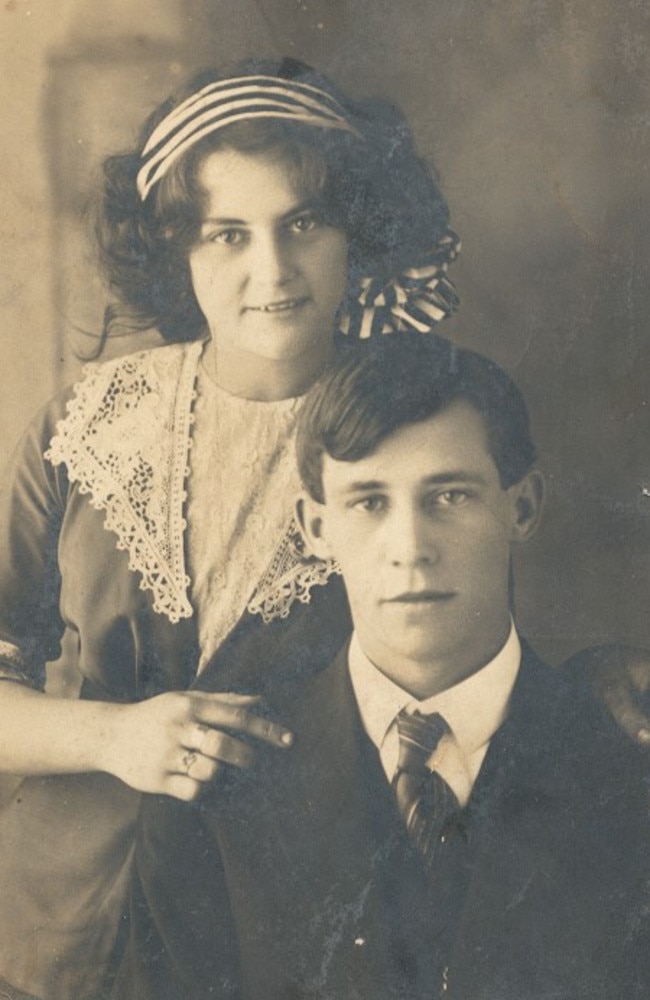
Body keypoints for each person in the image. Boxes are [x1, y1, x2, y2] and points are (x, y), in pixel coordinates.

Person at [0, 57, 646, 1000]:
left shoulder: (413, 425)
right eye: (227, 234)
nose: (272, 270)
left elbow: (466, 658)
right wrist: (111, 737)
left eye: (303, 223)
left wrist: (589, 680)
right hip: (61, 934)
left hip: (287, 940)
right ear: (177, 250)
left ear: (356, 232)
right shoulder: (86, 426)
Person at [116, 334, 650, 1000]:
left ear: (522, 506)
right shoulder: (215, 791)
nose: (410, 549)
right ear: (316, 528)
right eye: (369, 502)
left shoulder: (627, 772)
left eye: (449, 497)